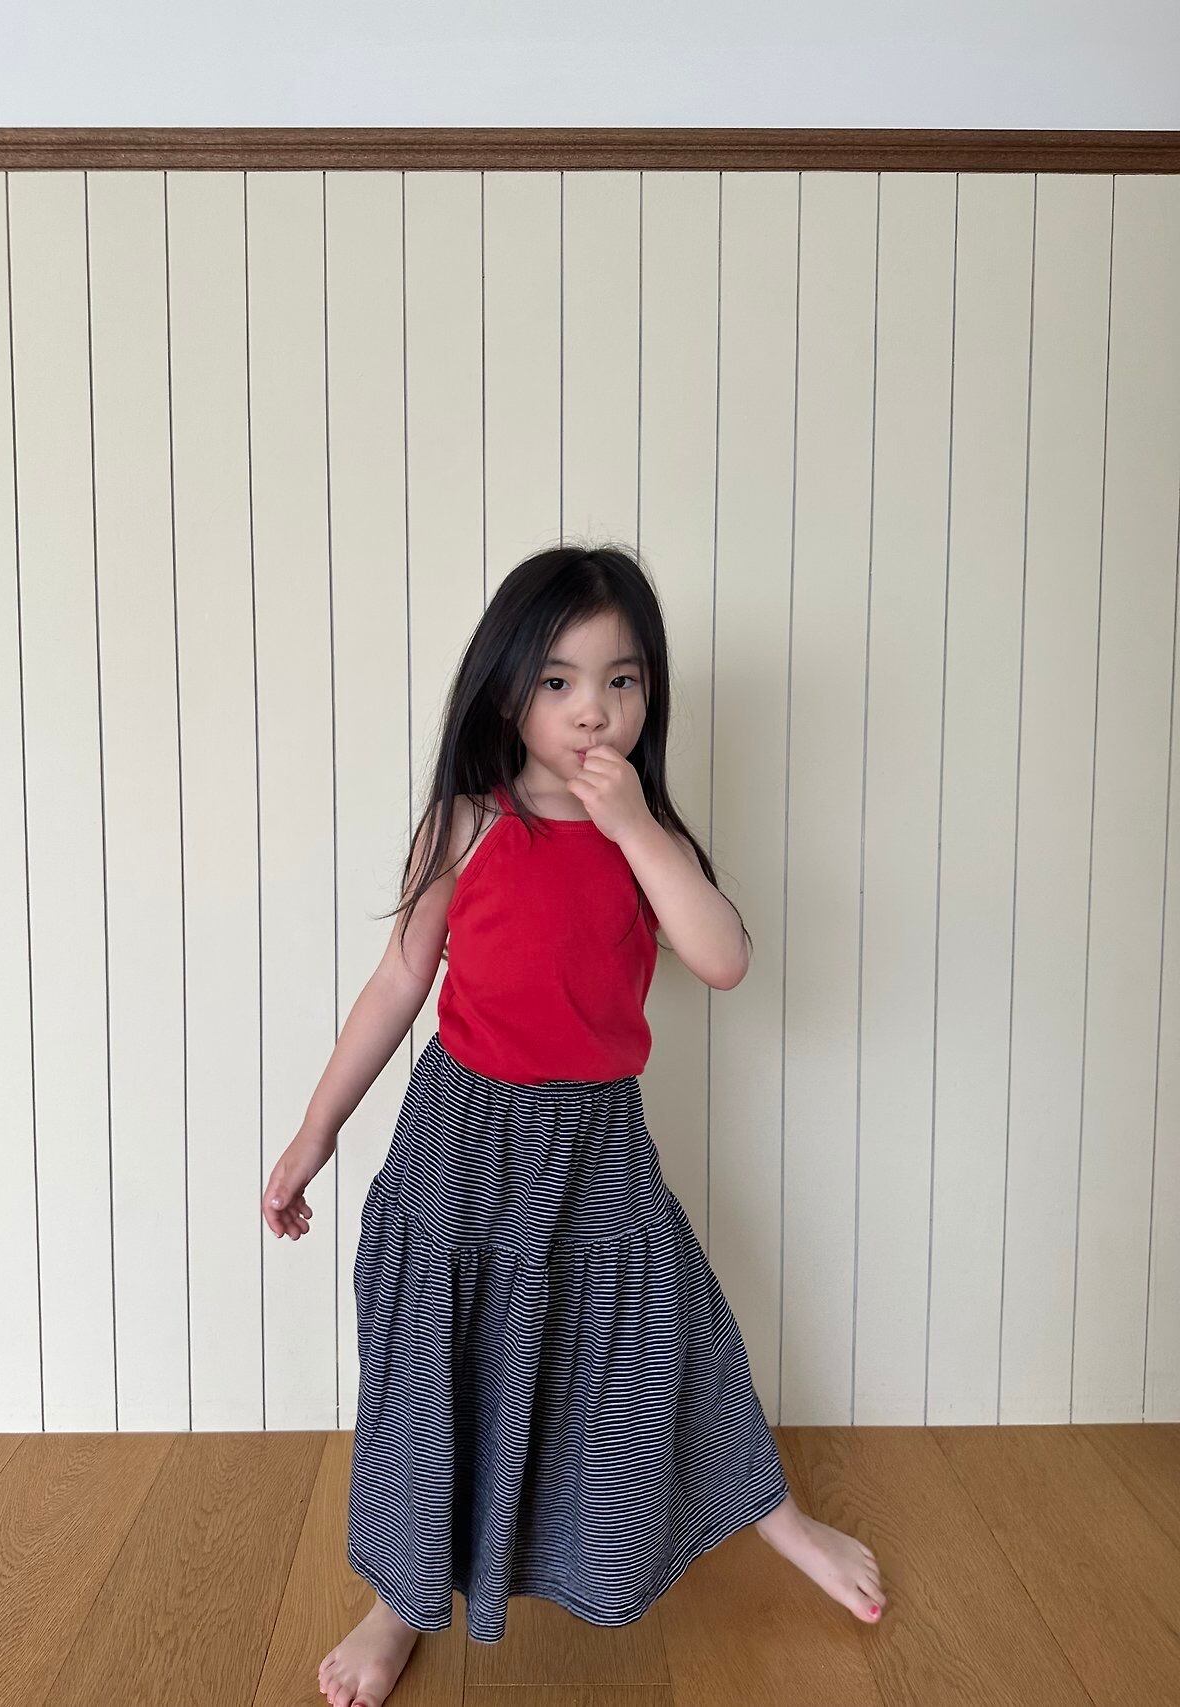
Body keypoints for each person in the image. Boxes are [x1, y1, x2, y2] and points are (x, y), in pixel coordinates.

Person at [261, 544, 887, 1707]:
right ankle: (399, 1601)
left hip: (594, 1139)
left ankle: (778, 1520)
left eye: (620, 679)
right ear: (507, 690)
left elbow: (723, 958)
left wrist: (638, 829)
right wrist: (315, 1132)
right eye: (557, 681)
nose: (592, 708)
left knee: (672, 1332)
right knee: (432, 1367)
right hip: (461, 1136)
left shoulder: (646, 839)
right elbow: (396, 984)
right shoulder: (465, 825)